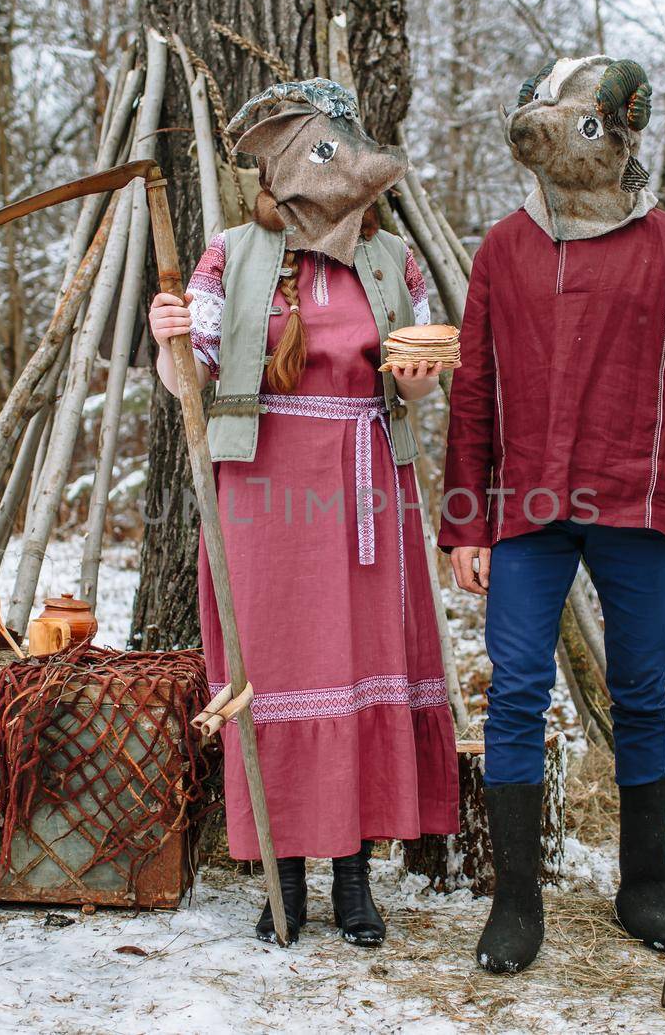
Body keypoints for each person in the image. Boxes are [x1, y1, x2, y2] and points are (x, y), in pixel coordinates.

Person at [438, 55, 665, 974]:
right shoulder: (504, 249)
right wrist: (466, 519)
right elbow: (473, 388)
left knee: (643, 693)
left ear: (621, 138)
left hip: (637, 498)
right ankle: (516, 901)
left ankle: (643, 888)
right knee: (514, 691)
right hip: (526, 506)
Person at [148, 79, 459, 946]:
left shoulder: (390, 259)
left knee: (360, 662)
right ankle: (283, 878)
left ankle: (355, 880)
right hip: (265, 490)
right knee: (275, 669)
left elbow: (414, 371)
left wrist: (417, 383)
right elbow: (190, 380)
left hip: (365, 484)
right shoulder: (232, 254)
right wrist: (170, 332)